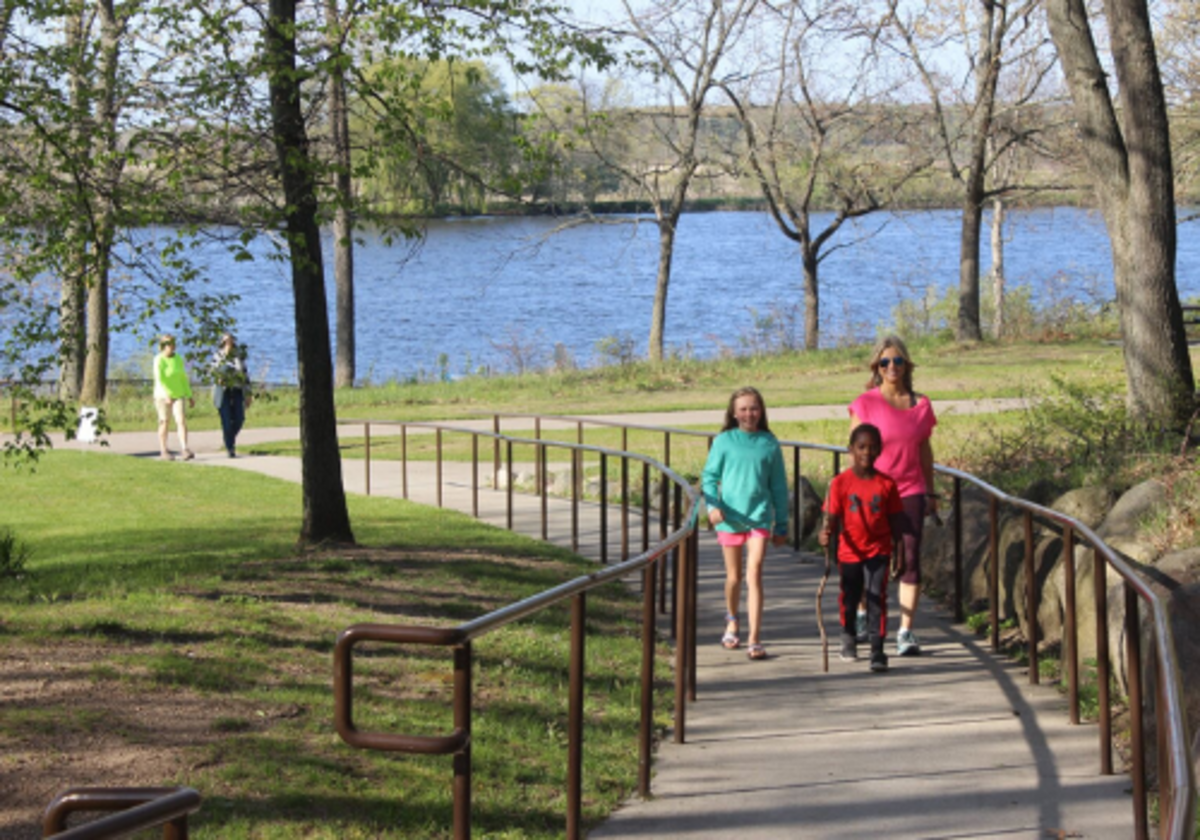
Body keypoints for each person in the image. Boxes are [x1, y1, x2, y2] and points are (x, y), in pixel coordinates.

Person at [848, 335, 937, 656]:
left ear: (906, 365)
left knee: (910, 559)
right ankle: (862, 613)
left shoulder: (921, 404)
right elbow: (855, 449)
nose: (891, 367)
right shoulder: (866, 403)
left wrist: (930, 489)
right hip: (874, 490)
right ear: (877, 367)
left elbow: (925, 450)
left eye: (897, 361)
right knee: (870, 558)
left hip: (910, 489)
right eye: (885, 362)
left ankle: (906, 631)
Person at [701, 386, 790, 661]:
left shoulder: (769, 444)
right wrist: (713, 506)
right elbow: (708, 477)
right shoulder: (724, 441)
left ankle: (754, 637)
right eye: (743, 409)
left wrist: (782, 524)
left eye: (754, 408)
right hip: (729, 517)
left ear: (761, 411)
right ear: (733, 412)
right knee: (734, 577)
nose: (749, 414)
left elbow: (778, 486)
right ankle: (732, 621)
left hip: (759, 517)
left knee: (755, 572)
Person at [819, 423, 905, 673]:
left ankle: (878, 649)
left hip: (879, 549)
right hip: (850, 551)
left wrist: (900, 553)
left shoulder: (887, 484)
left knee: (876, 595)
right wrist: (825, 535)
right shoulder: (840, 483)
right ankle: (848, 635)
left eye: (872, 447)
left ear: (880, 450)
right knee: (851, 595)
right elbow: (831, 517)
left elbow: (897, 522)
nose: (867, 452)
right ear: (851, 450)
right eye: (861, 447)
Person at [153, 334, 194, 461]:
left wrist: (189, 395)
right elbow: (159, 379)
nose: (171, 346)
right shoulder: (159, 359)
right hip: (163, 396)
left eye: (172, 343)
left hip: (178, 394)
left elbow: (182, 377)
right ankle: (164, 449)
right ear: (162, 346)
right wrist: (166, 395)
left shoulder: (178, 359)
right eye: (167, 344)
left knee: (181, 420)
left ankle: (184, 448)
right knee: (164, 421)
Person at [210, 333, 252, 458]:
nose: (229, 343)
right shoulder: (218, 356)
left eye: (231, 341)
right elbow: (212, 373)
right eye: (226, 341)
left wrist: (248, 393)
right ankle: (230, 447)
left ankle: (229, 437)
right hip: (223, 391)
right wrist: (218, 379)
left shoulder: (239, 356)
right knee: (226, 420)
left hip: (237, 389)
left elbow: (245, 375)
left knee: (239, 418)